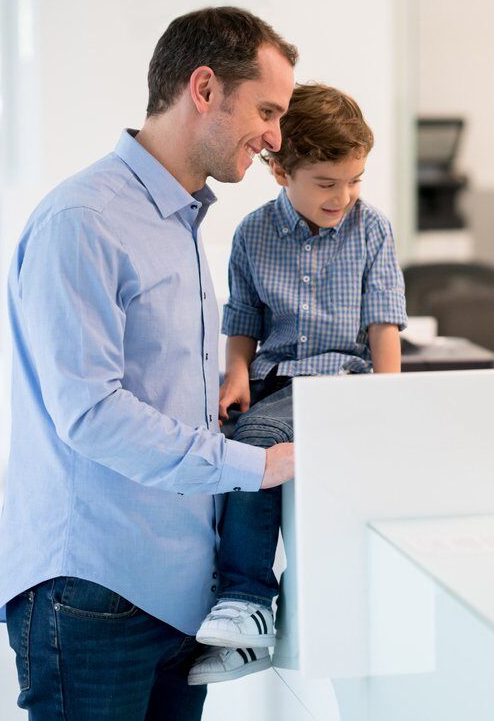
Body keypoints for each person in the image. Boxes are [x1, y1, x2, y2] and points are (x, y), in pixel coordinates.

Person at [0, 7, 299, 721]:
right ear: (203, 88)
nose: (275, 136)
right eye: (266, 109)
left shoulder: (182, 221)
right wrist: (255, 467)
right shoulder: (85, 220)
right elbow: (91, 413)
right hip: (94, 589)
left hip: (176, 588)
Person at [187, 83, 407, 685]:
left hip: (344, 382)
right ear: (279, 170)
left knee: (255, 445)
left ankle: (247, 602)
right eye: (327, 183)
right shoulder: (253, 234)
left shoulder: (373, 230)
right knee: (237, 447)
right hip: (276, 383)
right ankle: (239, 600)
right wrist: (235, 375)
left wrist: (389, 400)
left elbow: (384, 323)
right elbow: (243, 323)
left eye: (355, 180)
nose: (344, 196)